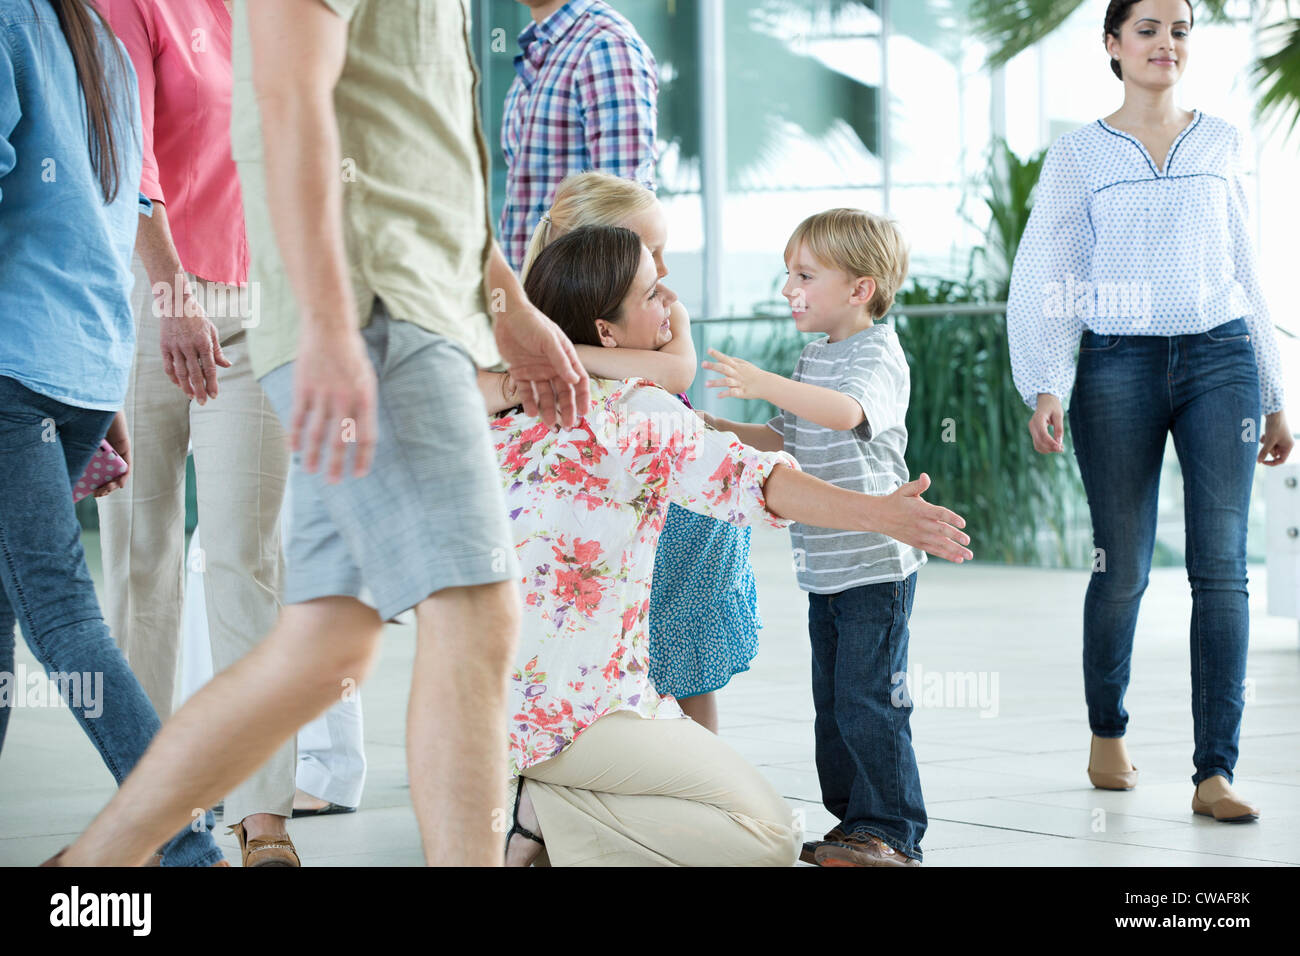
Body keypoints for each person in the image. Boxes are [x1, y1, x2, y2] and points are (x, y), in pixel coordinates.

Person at [54, 0, 588, 868]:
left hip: (332, 301)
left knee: (297, 613)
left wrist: (506, 302)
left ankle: (178, 840)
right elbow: (247, 117)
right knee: (468, 608)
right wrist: (321, 326)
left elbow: (422, 146)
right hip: (299, 304)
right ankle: (136, 832)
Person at [494, 225, 973, 867]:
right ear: (607, 333)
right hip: (583, 715)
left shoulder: (511, 410)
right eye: (652, 291)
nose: (672, 301)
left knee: (850, 700)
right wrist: (878, 513)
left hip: (484, 711)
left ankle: (531, 805)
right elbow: (762, 481)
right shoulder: (638, 411)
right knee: (769, 836)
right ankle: (543, 810)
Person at [1006, 0, 1292, 822]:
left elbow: (1247, 266)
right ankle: (1107, 729)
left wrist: (1274, 394)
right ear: (1113, 44)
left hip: (1222, 359)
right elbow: (1046, 272)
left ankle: (1215, 771)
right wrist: (1047, 381)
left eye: (1179, 30)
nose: (1166, 43)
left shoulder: (1225, 141)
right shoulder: (1079, 153)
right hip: (1116, 365)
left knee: (1221, 566)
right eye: (1148, 29)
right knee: (1122, 565)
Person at [0, 0, 224, 867]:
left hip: (18, 368)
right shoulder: (99, 38)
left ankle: (186, 843)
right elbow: (113, 212)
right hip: (79, 365)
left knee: (57, 611)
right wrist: (97, 389)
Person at [95, 0, 297, 866]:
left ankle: (263, 815)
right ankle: (152, 809)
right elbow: (127, 147)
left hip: (259, 303)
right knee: (141, 558)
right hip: (150, 297)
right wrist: (173, 293)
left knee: (247, 557)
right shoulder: (134, 5)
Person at [488, 171, 757, 734]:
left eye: (661, 251)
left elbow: (677, 370)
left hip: (684, 511)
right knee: (628, 658)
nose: (663, 271)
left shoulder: (664, 310)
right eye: (647, 251)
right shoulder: (519, 319)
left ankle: (700, 786)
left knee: (687, 665)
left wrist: (567, 353)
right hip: (622, 516)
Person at [703, 209, 930, 867]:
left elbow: (846, 413)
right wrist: (721, 426)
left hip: (874, 567)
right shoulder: (812, 357)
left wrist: (766, 382)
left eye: (804, 274)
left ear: (860, 289)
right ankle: (856, 822)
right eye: (787, 274)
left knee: (869, 702)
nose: (788, 288)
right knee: (834, 708)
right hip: (824, 568)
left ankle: (892, 833)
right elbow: (787, 437)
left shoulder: (877, 353)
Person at [500, 0, 658, 271]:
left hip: (574, 302)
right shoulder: (542, 47)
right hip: (531, 297)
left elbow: (626, 215)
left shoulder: (605, 47)